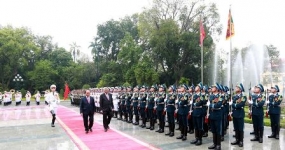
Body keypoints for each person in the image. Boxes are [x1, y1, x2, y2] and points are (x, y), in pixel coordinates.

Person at [208, 83, 222, 150]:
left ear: (216, 88)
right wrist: (212, 104)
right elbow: (210, 104)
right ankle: (214, 143)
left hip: (217, 114)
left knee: (218, 130)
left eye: (213, 87)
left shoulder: (220, 96)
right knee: (213, 130)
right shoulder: (211, 96)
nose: (212, 88)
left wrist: (212, 105)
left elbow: (218, 105)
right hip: (212, 114)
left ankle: (218, 145)